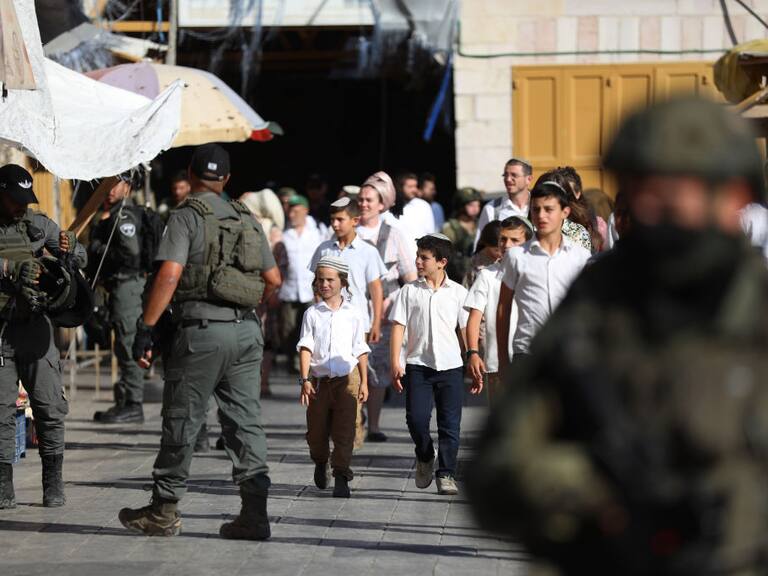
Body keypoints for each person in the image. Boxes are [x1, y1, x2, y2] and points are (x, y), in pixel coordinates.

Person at [468, 97, 768, 575]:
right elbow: (495, 471)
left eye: (668, 190)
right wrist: (596, 496)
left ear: (730, 195)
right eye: (636, 188)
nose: (647, 206)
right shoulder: (598, 303)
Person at [119, 143, 281, 539]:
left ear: (190, 174)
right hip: (245, 333)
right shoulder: (246, 217)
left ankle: (164, 510)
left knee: (183, 420)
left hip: (201, 334)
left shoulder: (187, 216)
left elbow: (170, 275)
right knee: (244, 421)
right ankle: (255, 514)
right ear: (226, 179)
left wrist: (146, 327)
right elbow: (273, 281)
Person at [0, 163, 87, 509]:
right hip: (2, 330)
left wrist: (71, 248)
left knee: (50, 406)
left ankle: (53, 483)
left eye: (25, 198)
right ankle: (4, 487)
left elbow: (77, 257)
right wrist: (10, 268)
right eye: (14, 199)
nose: (22, 205)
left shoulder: (37, 225)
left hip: (36, 329)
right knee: (1, 409)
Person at [389, 233, 479, 496]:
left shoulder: (459, 293)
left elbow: (465, 329)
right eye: (417, 256)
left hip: (450, 367)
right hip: (418, 365)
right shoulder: (409, 291)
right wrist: (396, 360)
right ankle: (425, 454)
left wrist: (472, 356)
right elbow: (398, 326)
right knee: (416, 419)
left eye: (424, 257)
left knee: (450, 424)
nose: (417, 261)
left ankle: (447, 473)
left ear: (442, 262)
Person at [495, 181, 591, 367]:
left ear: (565, 212)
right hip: (527, 353)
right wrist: (502, 361)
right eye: (536, 209)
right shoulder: (516, 256)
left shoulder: (581, 256)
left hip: (570, 353)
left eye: (549, 209)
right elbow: (502, 308)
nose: (541, 215)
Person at [298, 256, 369, 498]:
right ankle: (320, 461)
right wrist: (305, 379)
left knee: (344, 431)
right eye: (320, 280)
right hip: (318, 383)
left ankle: (341, 475)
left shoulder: (354, 313)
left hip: (346, 380)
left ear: (343, 282)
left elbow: (360, 348)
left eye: (330, 280)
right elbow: (306, 347)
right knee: (316, 433)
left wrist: (364, 383)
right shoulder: (312, 314)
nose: (324, 284)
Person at [356, 171, 417, 443]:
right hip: (354, 309)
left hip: (386, 311)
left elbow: (410, 275)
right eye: (360, 200)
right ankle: (355, 419)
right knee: (353, 367)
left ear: (382, 204)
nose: (364, 204)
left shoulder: (394, 234)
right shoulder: (349, 231)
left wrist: (407, 309)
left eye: (369, 200)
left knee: (379, 368)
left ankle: (375, 425)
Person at [90, 172, 149, 424]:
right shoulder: (112, 215)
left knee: (128, 342)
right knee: (121, 343)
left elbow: (131, 254)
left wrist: (96, 249)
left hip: (128, 285)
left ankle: (133, 402)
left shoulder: (125, 216)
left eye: (117, 184)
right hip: (118, 287)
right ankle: (124, 399)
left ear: (128, 187)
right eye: (107, 184)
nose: (110, 189)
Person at [465, 217, 532, 405]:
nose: (506, 245)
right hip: (496, 362)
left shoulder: (536, 272)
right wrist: (473, 353)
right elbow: (474, 318)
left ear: (528, 242)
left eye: (514, 240)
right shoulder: (487, 275)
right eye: (502, 239)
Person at [309, 197, 386, 344]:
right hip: (327, 323)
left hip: (357, 323)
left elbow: (376, 289)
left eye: (340, 219)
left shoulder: (367, 251)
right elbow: (316, 285)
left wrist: (376, 323)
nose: (335, 224)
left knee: (356, 366)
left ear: (355, 221)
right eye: (332, 220)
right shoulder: (324, 249)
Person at [279, 195, 321, 373]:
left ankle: (308, 363)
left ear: (305, 210)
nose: (292, 214)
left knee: (311, 328)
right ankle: (292, 361)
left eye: (296, 210)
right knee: (288, 328)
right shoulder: (284, 235)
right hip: (289, 289)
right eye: (290, 211)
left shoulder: (316, 234)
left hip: (309, 290)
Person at [474, 158, 533, 249]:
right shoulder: (492, 209)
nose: (508, 179)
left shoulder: (538, 206)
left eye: (514, 175)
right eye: (505, 175)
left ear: (528, 179)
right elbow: (479, 249)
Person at [442, 187, 483, 284]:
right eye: (471, 205)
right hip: (457, 278)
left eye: (478, 205)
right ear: (461, 206)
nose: (475, 208)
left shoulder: (480, 225)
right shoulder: (450, 228)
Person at [394, 172, 436, 240]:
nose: (414, 190)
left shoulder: (424, 206)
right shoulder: (393, 207)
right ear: (400, 187)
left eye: (415, 186)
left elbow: (431, 234)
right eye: (410, 187)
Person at [464, 219, 502, 289]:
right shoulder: (476, 262)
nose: (500, 253)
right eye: (496, 250)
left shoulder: (509, 258)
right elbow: (467, 286)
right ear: (487, 244)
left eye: (503, 249)